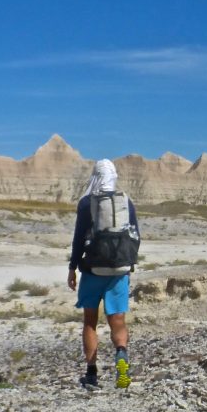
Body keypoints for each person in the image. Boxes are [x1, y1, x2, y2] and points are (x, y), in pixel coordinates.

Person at [67, 159, 140, 389]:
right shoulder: (126, 202)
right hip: (118, 271)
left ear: (95, 177)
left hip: (92, 271)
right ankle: (121, 356)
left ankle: (91, 374)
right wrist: (129, 266)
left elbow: (79, 239)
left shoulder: (87, 202)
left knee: (90, 321)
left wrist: (73, 267)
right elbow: (135, 236)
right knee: (117, 322)